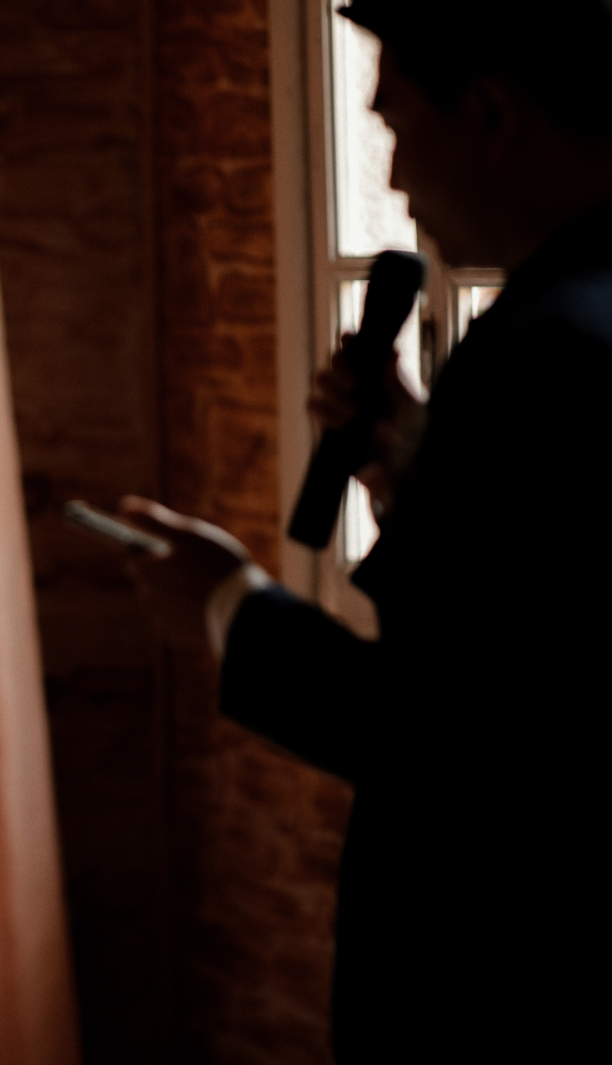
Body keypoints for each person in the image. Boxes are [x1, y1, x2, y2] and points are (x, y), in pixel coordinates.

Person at [121, 1, 610, 1060]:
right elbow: (542, 622)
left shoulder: (547, 353)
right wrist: (422, 466)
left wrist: (225, 604)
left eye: (396, 127)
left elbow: (449, 737)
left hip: (506, 977)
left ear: (488, 112)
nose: (389, 178)